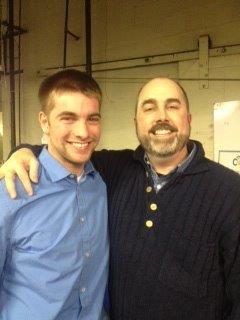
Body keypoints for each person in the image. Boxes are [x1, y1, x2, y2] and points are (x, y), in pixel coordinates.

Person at [1, 77, 240, 320]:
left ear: (188, 118)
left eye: (172, 106)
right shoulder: (114, 169)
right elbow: (65, 150)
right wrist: (22, 152)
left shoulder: (230, 190)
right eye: (149, 108)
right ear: (136, 123)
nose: (161, 117)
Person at [0, 69, 109, 319]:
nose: (83, 132)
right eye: (68, 118)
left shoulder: (102, 183)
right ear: (45, 122)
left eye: (92, 118)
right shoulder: (11, 191)